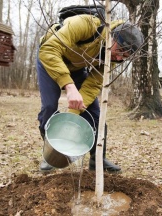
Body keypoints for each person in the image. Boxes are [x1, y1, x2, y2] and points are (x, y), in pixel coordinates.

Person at [36, 14, 144, 173]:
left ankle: (97, 159)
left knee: (95, 115)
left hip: (77, 68)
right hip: (50, 60)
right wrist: (69, 87)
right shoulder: (86, 25)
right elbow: (48, 50)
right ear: (112, 37)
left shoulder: (113, 58)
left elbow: (93, 84)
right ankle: (50, 154)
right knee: (50, 106)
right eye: (120, 50)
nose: (119, 57)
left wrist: (73, 114)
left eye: (125, 57)